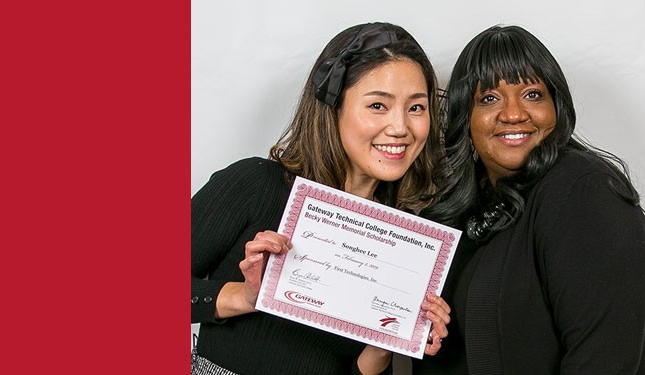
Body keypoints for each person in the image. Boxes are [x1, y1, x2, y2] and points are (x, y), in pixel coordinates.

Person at [191, 22, 451, 375]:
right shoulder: (255, 185)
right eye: (378, 105)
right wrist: (246, 296)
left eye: (417, 108)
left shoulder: (406, 247)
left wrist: (388, 339)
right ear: (334, 108)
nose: (401, 128)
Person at [414, 25, 645, 374]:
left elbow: (606, 358)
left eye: (533, 94)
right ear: (466, 115)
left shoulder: (582, 190)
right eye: (489, 98)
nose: (514, 114)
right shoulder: (463, 208)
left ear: (557, 106)